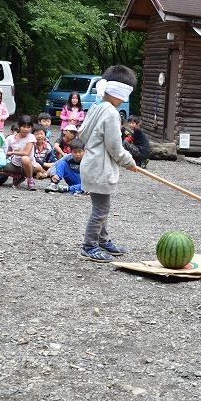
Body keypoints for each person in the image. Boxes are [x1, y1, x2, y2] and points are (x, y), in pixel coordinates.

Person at [76, 65, 138, 262]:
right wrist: (129, 162)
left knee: (102, 207)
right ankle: (88, 246)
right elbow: (115, 147)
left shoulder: (96, 106)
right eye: (123, 95)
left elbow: (83, 133)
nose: (123, 100)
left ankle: (103, 241)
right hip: (99, 169)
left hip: (91, 165)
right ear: (117, 91)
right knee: (101, 210)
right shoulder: (111, 113)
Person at [0, 114, 36, 190]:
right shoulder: (10, 138)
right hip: (15, 164)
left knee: (25, 158)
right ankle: (16, 175)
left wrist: (13, 153)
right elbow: (8, 152)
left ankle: (30, 179)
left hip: (27, 166)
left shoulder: (31, 137)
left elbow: (26, 153)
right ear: (19, 127)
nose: (26, 129)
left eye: (28, 127)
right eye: (24, 127)